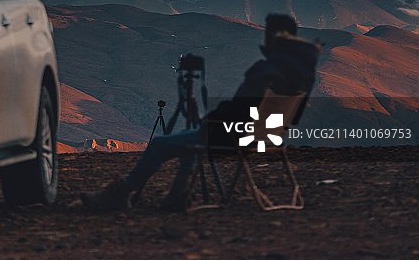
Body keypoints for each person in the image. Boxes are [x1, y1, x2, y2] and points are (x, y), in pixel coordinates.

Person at [80, 14, 320, 212]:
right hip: (269, 136)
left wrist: (215, 118)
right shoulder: (302, 75)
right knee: (193, 138)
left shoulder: (266, 70)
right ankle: (176, 197)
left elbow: (240, 109)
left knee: (162, 143)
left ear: (274, 38)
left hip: (237, 136)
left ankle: (122, 192)